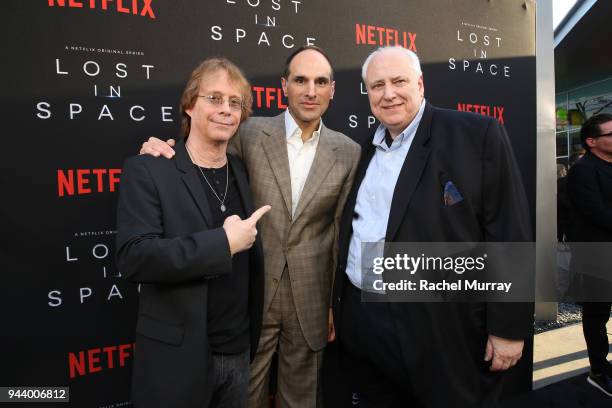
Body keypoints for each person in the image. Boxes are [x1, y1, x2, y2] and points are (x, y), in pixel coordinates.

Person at [139, 46, 361, 407]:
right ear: (284, 85)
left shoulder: (348, 151)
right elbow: (204, 156)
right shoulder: (249, 131)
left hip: (311, 298)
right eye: (301, 80)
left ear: (332, 89)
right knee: (244, 396)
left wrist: (333, 303)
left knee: (302, 399)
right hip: (250, 296)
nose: (310, 91)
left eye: (321, 82)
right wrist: (162, 150)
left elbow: (339, 233)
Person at [331, 46, 533, 407]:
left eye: (398, 81)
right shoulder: (365, 151)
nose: (388, 93)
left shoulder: (475, 134)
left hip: (440, 329)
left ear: (420, 84)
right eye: (377, 85)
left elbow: (509, 233)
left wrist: (509, 328)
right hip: (364, 322)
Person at [116, 57, 271, 408]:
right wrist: (223, 244)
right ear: (189, 104)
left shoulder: (242, 170)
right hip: (178, 359)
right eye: (214, 98)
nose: (226, 110)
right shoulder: (149, 170)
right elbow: (134, 257)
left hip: (239, 354)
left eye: (235, 103)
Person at [567, 113, 612, 397]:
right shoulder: (583, 170)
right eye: (611, 134)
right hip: (596, 255)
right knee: (597, 315)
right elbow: (597, 213)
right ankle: (598, 370)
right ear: (592, 141)